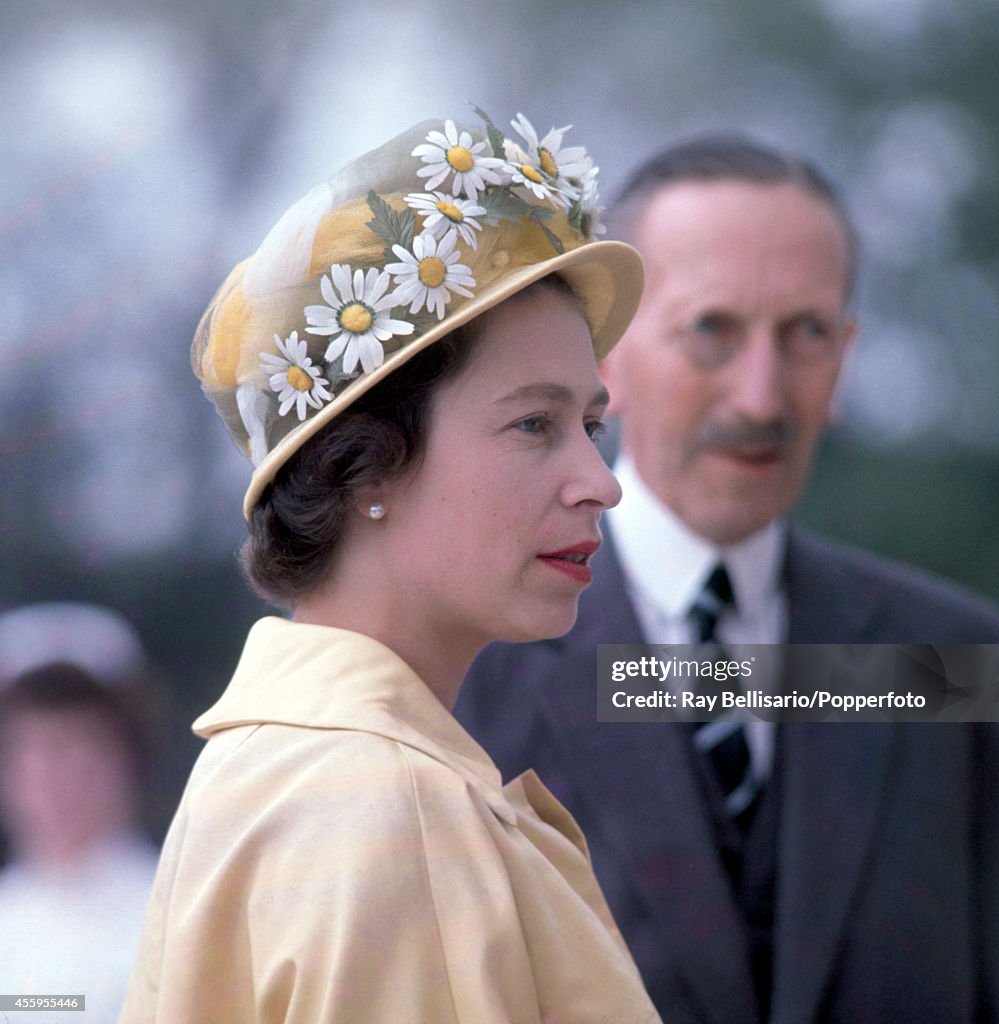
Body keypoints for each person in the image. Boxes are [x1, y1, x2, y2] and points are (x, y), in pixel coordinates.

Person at [120, 108, 660, 1022]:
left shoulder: (266, 760)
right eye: (534, 423)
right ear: (365, 461)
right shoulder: (394, 804)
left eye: (591, 427)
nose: (599, 485)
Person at [456, 133, 999, 1023]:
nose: (760, 395)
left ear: (844, 357)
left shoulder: (954, 665)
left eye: (805, 335)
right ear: (602, 355)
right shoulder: (462, 669)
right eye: (712, 329)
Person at [0, 603, 160, 1024]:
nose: (59, 774)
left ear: (128, 755)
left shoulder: (178, 916)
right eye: (35, 747)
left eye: (81, 742)